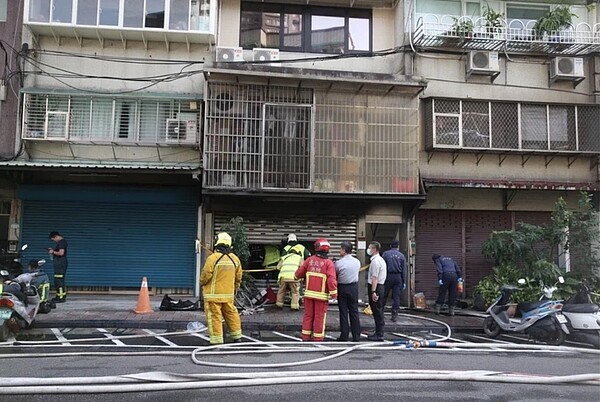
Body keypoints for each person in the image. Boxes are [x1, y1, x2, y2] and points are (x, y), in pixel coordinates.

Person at [200, 232, 243, 344]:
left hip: (213, 295)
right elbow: (238, 277)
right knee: (231, 314)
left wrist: (201, 283)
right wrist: (235, 288)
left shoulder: (213, 258)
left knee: (215, 317)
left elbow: (205, 275)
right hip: (228, 295)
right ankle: (237, 336)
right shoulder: (235, 259)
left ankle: (216, 340)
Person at [294, 238, 337, 342]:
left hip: (308, 295)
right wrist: (334, 294)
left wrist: (296, 277)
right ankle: (318, 338)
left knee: (308, 316)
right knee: (319, 317)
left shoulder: (309, 260)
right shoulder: (328, 263)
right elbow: (331, 279)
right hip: (321, 297)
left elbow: (298, 274)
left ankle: (305, 337)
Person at [334, 241, 361, 342]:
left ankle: (344, 335)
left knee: (343, 312)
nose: (339, 250)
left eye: (340, 249)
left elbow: (335, 274)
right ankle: (356, 336)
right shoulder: (357, 262)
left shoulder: (339, 263)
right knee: (354, 311)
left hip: (342, 288)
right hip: (354, 287)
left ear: (344, 250)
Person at [382, 240, 407, 322]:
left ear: (390, 246)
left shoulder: (385, 254)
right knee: (396, 296)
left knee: (384, 294)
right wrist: (403, 281)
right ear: (398, 246)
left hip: (388, 276)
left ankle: (380, 312)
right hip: (398, 277)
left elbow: (382, 267)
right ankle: (394, 314)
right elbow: (404, 270)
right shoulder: (402, 256)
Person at [367, 241, 386, 341]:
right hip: (380, 287)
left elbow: (375, 277)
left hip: (376, 287)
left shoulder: (375, 262)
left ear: (374, 249)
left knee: (377, 311)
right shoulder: (380, 260)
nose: (368, 250)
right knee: (378, 310)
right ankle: (378, 332)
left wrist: (373, 292)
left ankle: (379, 334)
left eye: (370, 248)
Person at [276, 243, 304, 310]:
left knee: (281, 291)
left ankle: (279, 305)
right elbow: (303, 268)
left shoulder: (284, 257)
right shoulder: (300, 258)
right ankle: (294, 306)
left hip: (283, 277)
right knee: (295, 292)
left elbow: (278, 267)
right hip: (293, 277)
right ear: (298, 252)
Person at [48, 231, 68, 303]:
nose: (54, 241)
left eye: (53, 239)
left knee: (59, 281)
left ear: (56, 236)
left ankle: (61, 297)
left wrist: (53, 252)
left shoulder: (62, 242)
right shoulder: (61, 242)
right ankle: (59, 296)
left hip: (60, 264)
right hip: (59, 264)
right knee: (58, 281)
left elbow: (61, 253)